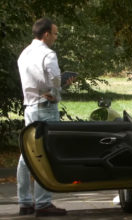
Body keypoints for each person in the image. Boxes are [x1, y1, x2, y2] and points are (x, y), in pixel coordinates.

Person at [17, 17, 72, 217]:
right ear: (46, 34)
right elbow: (54, 82)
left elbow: (35, 82)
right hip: (46, 108)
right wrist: (59, 90)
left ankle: (24, 202)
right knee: (45, 153)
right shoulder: (48, 54)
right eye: (55, 34)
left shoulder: (24, 54)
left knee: (26, 155)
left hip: (30, 106)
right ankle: (43, 203)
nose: (56, 38)